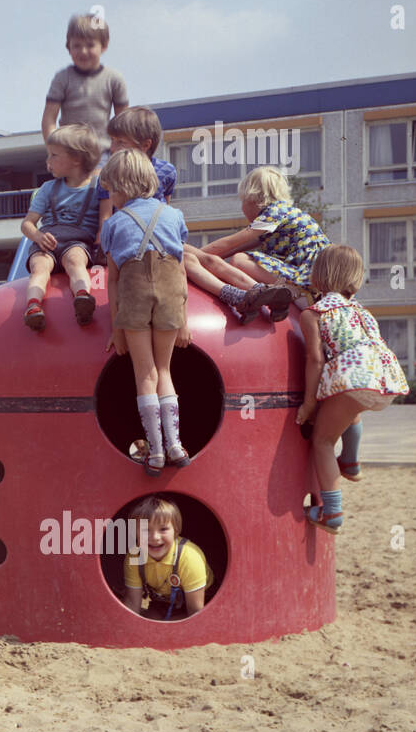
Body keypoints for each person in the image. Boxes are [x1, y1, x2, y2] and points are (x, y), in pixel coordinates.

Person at [296, 246, 408, 533]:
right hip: (382, 378)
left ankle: (331, 514)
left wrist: (309, 403)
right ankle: (351, 461)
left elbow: (315, 359)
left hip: (353, 377)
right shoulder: (362, 311)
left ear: (318, 275)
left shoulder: (315, 313)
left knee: (322, 440)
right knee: (350, 411)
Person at [100, 149, 191, 475]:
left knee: (146, 374)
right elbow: (181, 273)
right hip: (169, 297)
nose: (109, 195)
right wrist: (184, 320)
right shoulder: (173, 216)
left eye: (110, 189)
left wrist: (116, 327)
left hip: (134, 297)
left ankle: (154, 453)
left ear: (121, 186)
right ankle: (176, 446)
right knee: (165, 371)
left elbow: (113, 280)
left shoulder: (112, 224)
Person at [182, 166, 326, 325]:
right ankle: (286, 289)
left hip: (305, 276)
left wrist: (197, 256)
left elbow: (231, 242)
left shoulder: (273, 213)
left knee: (239, 260)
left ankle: (291, 291)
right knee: (239, 255)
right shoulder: (286, 214)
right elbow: (234, 247)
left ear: (253, 199)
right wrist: (206, 260)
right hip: (315, 273)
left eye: (243, 201)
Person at [20, 123, 102, 331]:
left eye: (54, 156)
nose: (48, 162)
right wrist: (38, 237)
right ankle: (33, 306)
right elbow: (27, 224)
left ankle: (82, 297)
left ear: (76, 159)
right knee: (39, 267)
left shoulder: (98, 187)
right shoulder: (48, 189)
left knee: (75, 260)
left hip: (77, 242)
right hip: (48, 241)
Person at [41, 11, 128, 145]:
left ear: (103, 46)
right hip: (69, 150)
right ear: (68, 48)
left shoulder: (114, 79)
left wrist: (120, 149)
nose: (83, 51)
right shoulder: (63, 78)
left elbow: (123, 122)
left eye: (90, 45)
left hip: (101, 151)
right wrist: (54, 148)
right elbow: (49, 119)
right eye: (77, 46)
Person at [122, 496, 212, 619]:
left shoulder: (189, 557)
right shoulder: (135, 556)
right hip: (165, 601)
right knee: (150, 620)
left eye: (163, 529)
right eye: (145, 530)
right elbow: (132, 604)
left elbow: (196, 612)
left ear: (175, 530)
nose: (155, 537)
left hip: (202, 601)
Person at [96, 106, 176, 225]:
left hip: (158, 233)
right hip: (125, 233)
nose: (112, 148)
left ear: (145, 145)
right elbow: (106, 217)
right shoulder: (109, 174)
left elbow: (166, 210)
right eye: (112, 140)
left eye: (121, 142)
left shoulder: (166, 171)